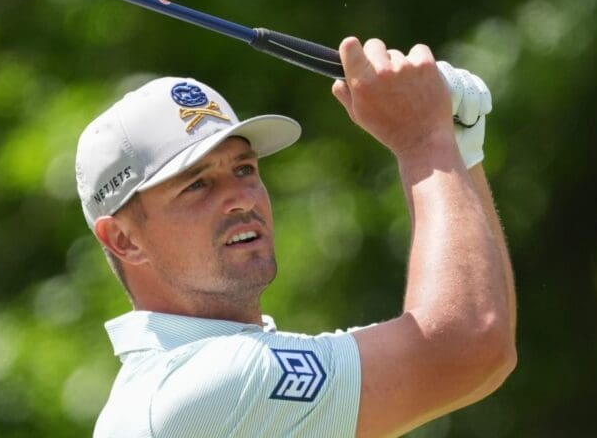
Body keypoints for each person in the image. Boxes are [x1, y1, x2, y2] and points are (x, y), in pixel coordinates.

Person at [74, 37, 516, 438]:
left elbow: (483, 352)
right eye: (197, 185)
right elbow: (468, 344)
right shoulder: (200, 387)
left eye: (244, 169)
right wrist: (425, 139)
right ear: (123, 239)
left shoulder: (206, 375)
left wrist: (457, 151)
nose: (241, 199)